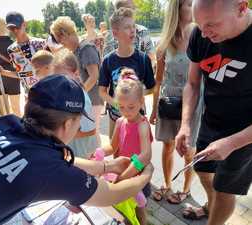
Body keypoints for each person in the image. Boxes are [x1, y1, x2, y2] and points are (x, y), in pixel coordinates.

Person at [0, 75, 153, 225]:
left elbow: (59, 159)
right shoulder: (48, 170)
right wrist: (146, 175)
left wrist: (107, 165)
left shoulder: (6, 122)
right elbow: (110, 194)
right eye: (78, 122)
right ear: (67, 124)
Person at [175, 0, 252, 224]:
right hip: (212, 120)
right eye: (200, 25)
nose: (205, 34)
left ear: (241, 8)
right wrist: (186, 124)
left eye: (212, 25)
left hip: (245, 133)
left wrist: (232, 143)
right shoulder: (201, 33)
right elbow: (191, 83)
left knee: (224, 188)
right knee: (202, 168)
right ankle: (212, 205)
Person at [150, 0, 202, 205]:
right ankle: (166, 183)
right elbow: (158, 80)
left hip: (193, 103)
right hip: (168, 102)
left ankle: (186, 189)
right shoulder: (163, 43)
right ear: (177, 9)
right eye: (188, 4)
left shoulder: (201, 37)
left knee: (190, 149)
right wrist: (153, 109)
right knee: (168, 146)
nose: (193, 6)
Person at [100, 68, 153, 225]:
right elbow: (112, 146)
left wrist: (124, 177)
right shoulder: (120, 121)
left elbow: (145, 156)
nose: (126, 112)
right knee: (123, 207)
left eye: (131, 107)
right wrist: (98, 153)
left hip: (137, 175)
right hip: (122, 173)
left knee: (140, 208)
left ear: (141, 102)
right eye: (121, 107)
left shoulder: (142, 125)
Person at [99, 7, 155, 139]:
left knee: (139, 156)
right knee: (117, 155)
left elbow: (152, 87)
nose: (132, 31)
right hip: (115, 117)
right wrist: (118, 104)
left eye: (133, 27)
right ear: (115, 33)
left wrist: (135, 99)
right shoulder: (108, 61)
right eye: (127, 27)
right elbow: (102, 91)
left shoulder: (143, 59)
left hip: (138, 118)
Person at [31, 49, 98, 158]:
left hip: (82, 151)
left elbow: (91, 131)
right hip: (72, 150)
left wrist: (58, 133)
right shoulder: (65, 94)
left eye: (63, 77)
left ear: (76, 73)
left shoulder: (81, 99)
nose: (59, 81)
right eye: (55, 77)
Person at [50, 16, 104, 146]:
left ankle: (99, 162)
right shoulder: (76, 50)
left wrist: (78, 94)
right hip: (86, 99)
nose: (62, 46)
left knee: (92, 134)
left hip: (93, 99)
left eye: (61, 42)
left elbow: (94, 76)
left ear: (64, 34)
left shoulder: (86, 48)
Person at [0, 11, 46, 94]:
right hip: (30, 95)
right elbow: (21, 74)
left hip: (48, 92)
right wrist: (3, 72)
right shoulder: (11, 50)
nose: (15, 30)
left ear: (25, 24)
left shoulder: (41, 44)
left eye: (17, 26)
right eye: (12, 28)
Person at [0, 16, 21, 117]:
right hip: (13, 76)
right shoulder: (13, 43)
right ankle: (20, 130)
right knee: (16, 108)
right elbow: (19, 63)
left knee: (3, 110)